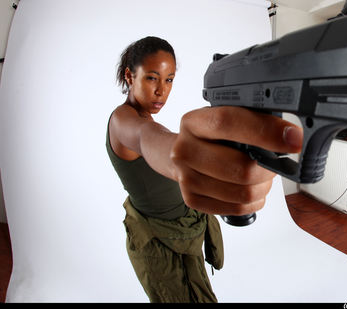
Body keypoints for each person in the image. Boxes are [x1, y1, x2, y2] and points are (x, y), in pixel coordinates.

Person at [106, 36, 303, 302]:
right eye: (152, 78)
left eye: (169, 79)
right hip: (161, 245)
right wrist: (185, 157)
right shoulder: (122, 121)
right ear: (130, 76)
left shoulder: (145, 116)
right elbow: (148, 137)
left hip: (187, 231)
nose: (162, 90)